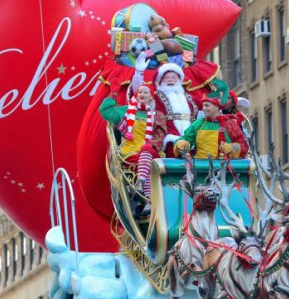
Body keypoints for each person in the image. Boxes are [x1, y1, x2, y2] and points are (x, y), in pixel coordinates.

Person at [100, 84, 166, 216]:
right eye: (140, 92)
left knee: (147, 152)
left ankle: (140, 185)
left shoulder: (157, 115)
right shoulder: (126, 111)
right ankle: (147, 200)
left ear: (151, 97)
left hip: (150, 151)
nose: (142, 94)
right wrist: (113, 94)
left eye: (145, 92)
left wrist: (150, 145)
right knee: (149, 166)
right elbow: (105, 111)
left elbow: (160, 136)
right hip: (130, 152)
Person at [173, 93, 248, 159]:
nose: (203, 108)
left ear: (217, 107)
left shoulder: (230, 124)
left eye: (207, 105)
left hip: (224, 170)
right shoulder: (198, 123)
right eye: (203, 105)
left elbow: (244, 146)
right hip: (200, 168)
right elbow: (185, 138)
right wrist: (180, 144)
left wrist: (232, 147)